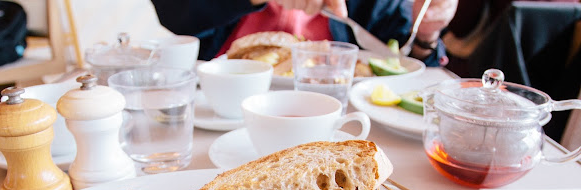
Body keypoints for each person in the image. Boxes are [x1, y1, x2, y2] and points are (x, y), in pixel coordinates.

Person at [151, 0, 458, 66]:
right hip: (219, 104)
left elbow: (408, 59)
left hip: (335, 113)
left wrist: (426, 34)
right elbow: (175, 13)